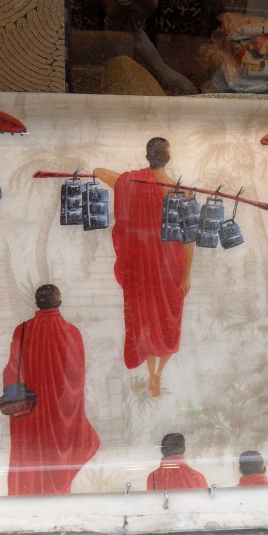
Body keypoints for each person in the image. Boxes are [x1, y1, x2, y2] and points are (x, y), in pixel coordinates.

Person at [93, 138, 194, 397]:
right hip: (170, 268)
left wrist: (127, 181)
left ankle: (153, 375)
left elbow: (98, 171)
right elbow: (189, 239)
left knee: (147, 321)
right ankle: (156, 374)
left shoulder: (132, 182)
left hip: (144, 268)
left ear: (148, 156)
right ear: (168, 156)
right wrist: (187, 276)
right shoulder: (183, 193)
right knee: (166, 323)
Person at [3, 284, 100, 496]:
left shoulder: (22, 330)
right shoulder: (72, 332)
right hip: (60, 413)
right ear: (59, 302)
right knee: (58, 461)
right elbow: (77, 379)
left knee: (32, 457)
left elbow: (12, 370)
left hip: (30, 412)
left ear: (36, 303)